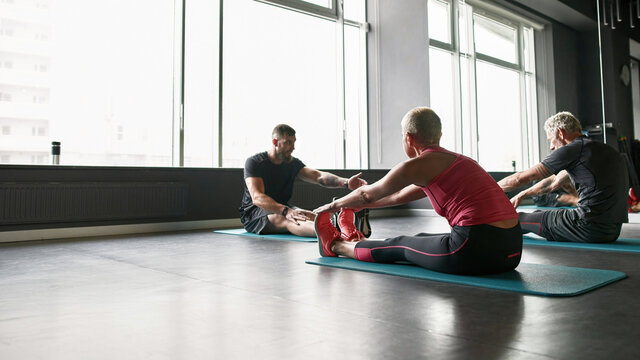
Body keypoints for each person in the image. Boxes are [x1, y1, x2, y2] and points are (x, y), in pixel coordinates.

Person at [313, 107, 522, 275]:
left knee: (403, 246)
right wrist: (362, 206)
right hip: (512, 249)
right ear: (438, 135)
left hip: (473, 250)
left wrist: (332, 206)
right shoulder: (462, 162)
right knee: (420, 238)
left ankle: (336, 246)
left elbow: (367, 192)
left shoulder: (416, 165)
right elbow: (396, 196)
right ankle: (357, 242)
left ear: (408, 139)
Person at [497, 111, 629, 243]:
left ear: (560, 133)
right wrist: (522, 194)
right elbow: (553, 183)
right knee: (537, 214)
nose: (551, 147)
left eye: (550, 140)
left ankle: (484, 230)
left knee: (515, 218)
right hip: (612, 231)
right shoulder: (599, 150)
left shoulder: (574, 149)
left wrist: (489, 189)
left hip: (588, 227)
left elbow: (519, 179)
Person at [240, 124, 369, 237]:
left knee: (312, 216)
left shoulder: (291, 163)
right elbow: (257, 198)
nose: (292, 147)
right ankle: (338, 231)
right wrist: (287, 211)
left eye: (294, 142)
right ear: (275, 142)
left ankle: (345, 227)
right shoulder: (255, 162)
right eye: (288, 142)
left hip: (283, 207)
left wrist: (346, 182)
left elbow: (318, 176)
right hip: (254, 213)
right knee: (288, 219)